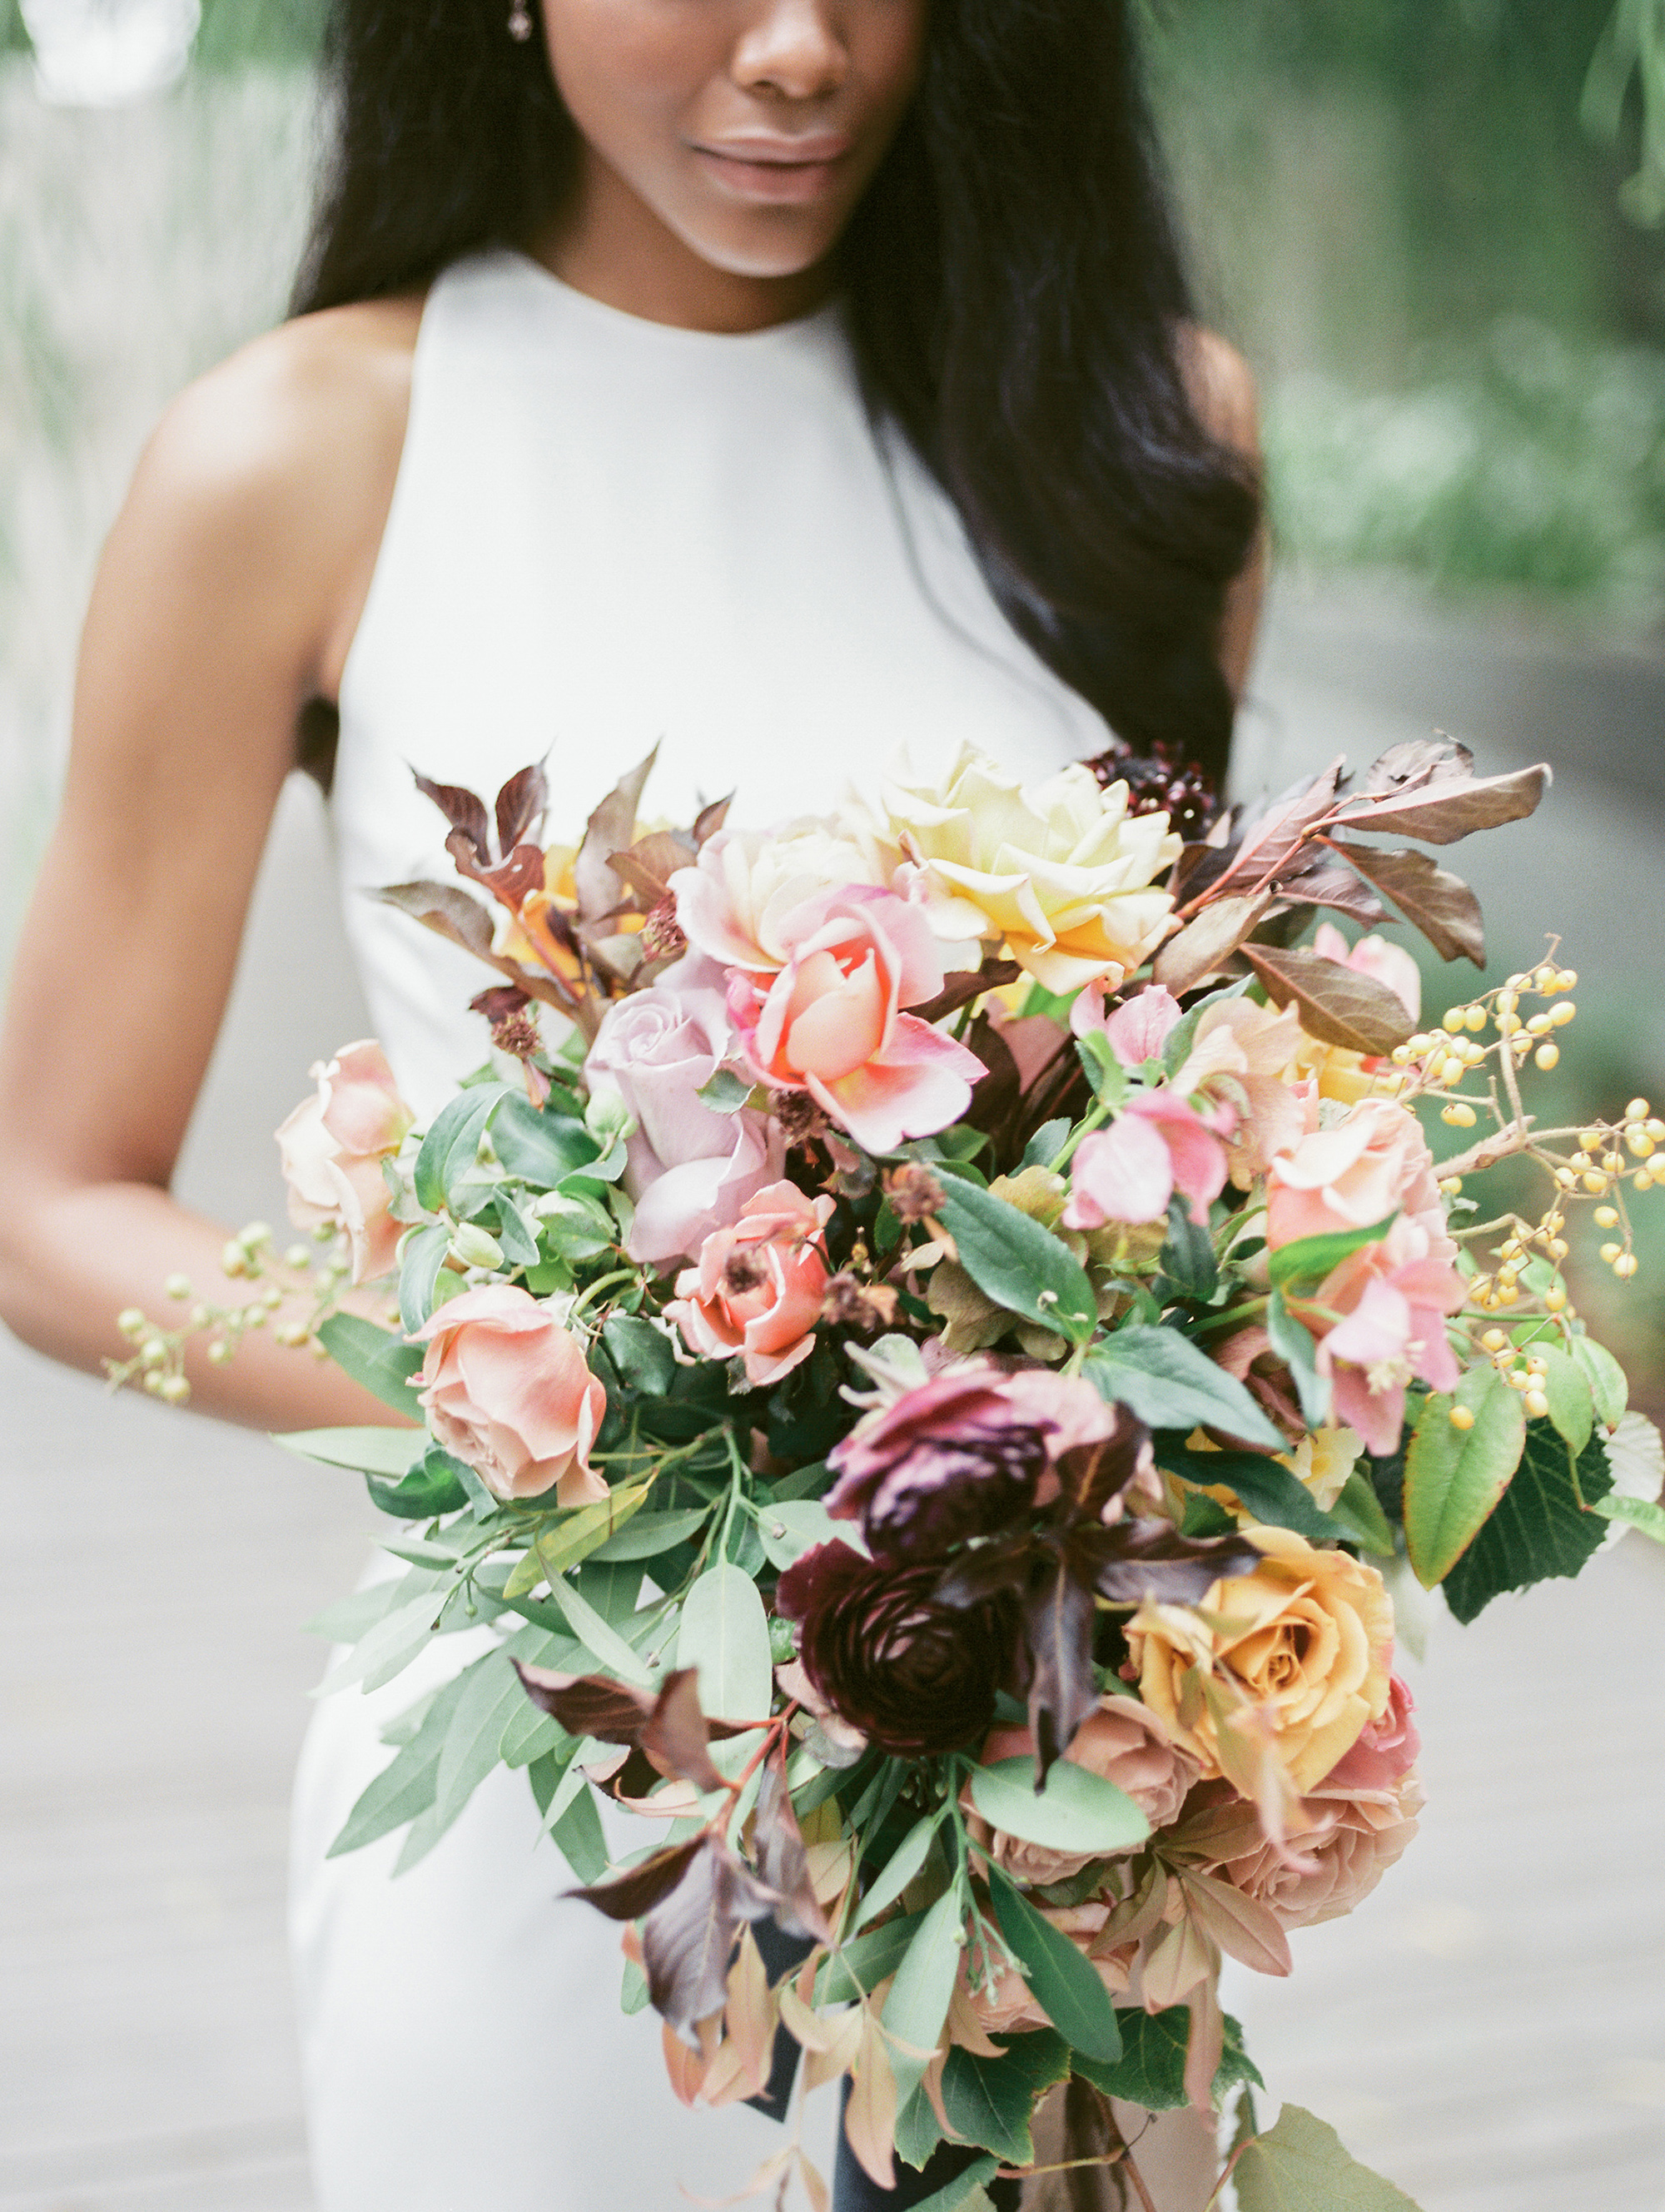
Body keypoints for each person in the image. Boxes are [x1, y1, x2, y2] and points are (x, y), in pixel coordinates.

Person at [0, 0, 1265, 2205]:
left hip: (1058, 1820)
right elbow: (45, 1196)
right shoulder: (298, 456)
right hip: (546, 1835)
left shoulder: (1136, 437)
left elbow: (1186, 1121)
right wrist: (610, 1410)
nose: (802, 51)